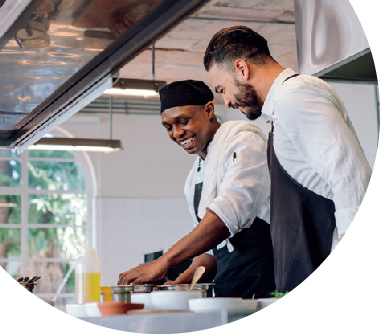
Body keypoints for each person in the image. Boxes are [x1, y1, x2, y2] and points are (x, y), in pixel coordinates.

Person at [203, 25, 372, 293]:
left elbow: (352, 178)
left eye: (222, 89)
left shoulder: (296, 96)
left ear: (242, 69)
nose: (227, 102)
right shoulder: (282, 108)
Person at [118, 80, 275, 298]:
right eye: (168, 127)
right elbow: (208, 253)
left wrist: (162, 263)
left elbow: (227, 215)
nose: (177, 133)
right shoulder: (195, 176)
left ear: (209, 110)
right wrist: (187, 280)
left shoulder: (245, 143)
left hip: (264, 284)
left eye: (183, 121)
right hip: (227, 288)